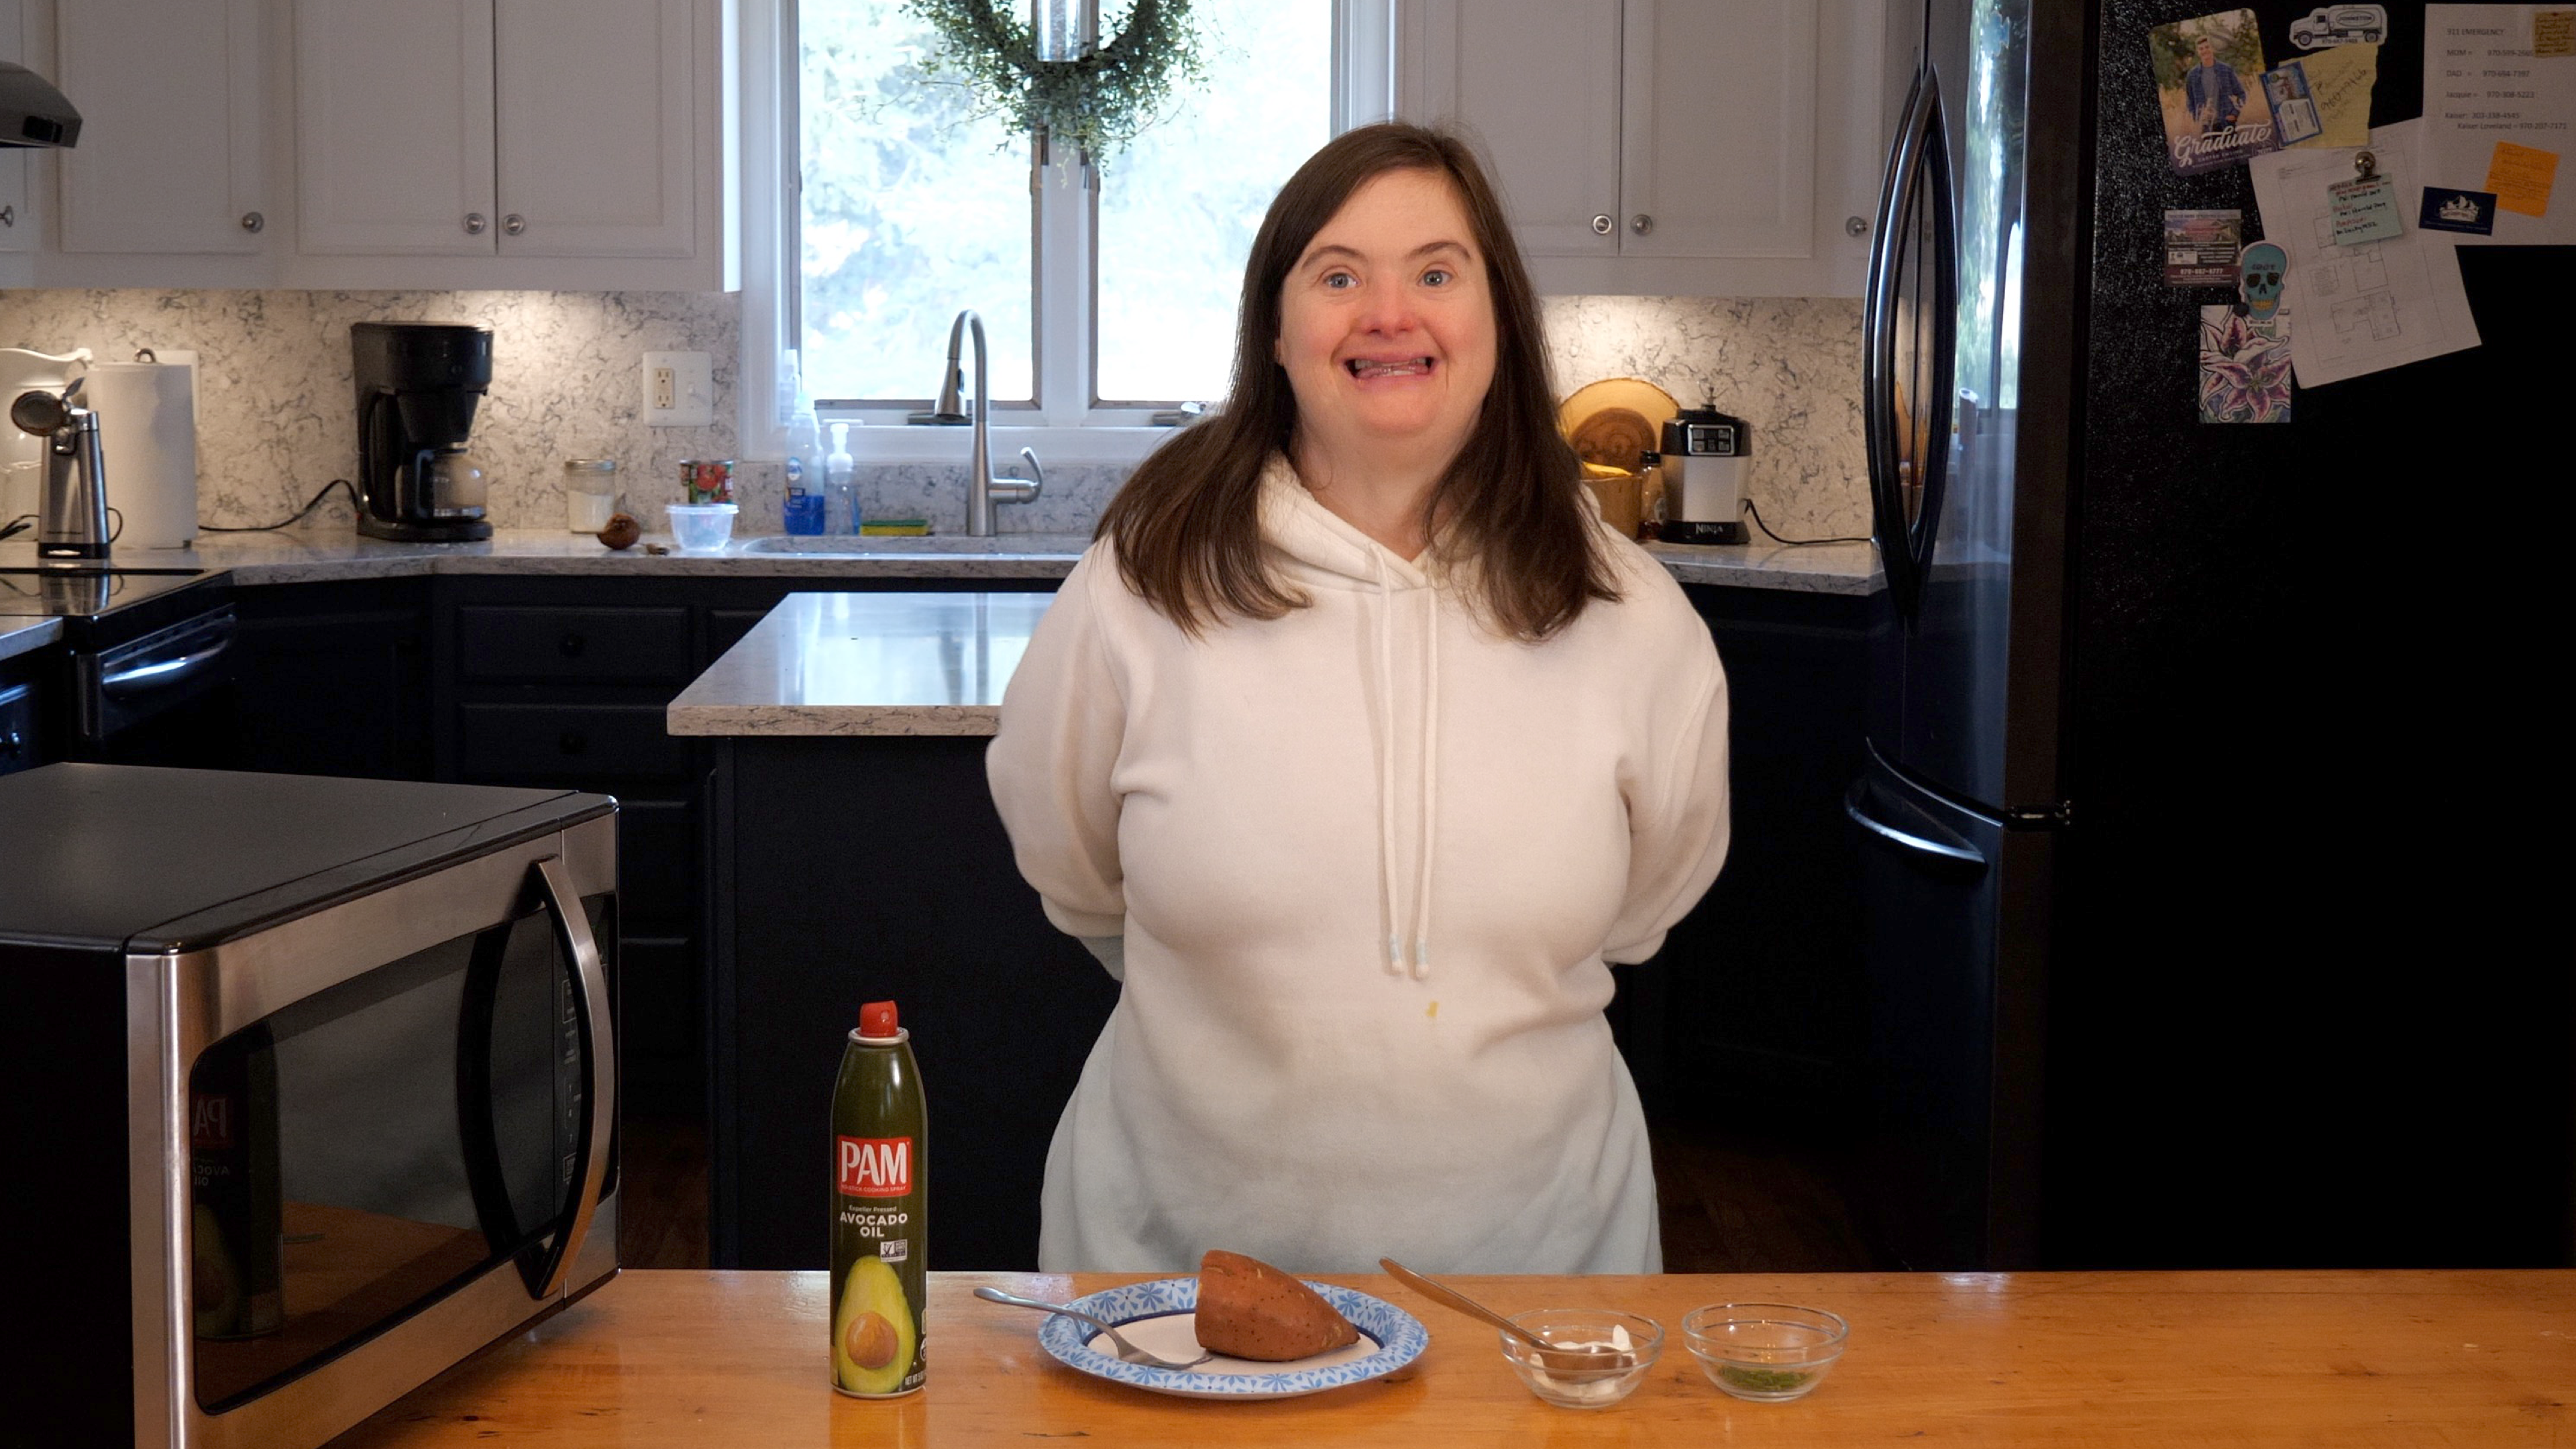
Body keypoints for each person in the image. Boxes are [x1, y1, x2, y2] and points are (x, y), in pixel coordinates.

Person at [985, 123, 1730, 1276]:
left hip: (1540, 1286)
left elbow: (1649, 902)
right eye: (1340, 276)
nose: (1392, 314)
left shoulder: (1629, 615)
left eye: (1437, 272)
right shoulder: (1144, 581)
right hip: (1173, 1284)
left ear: (1498, 324)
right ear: (1276, 334)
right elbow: (1072, 868)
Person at [2184, 34, 2245, 134]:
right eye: (2201, 49)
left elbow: (2241, 94)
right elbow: (2190, 101)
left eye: (2207, 47)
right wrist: (2197, 118)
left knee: (2234, 150)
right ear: (2198, 52)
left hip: (2227, 124)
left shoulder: (2226, 70)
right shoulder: (2192, 75)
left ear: (2213, 48)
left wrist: (2234, 114)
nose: (2204, 51)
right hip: (2206, 128)